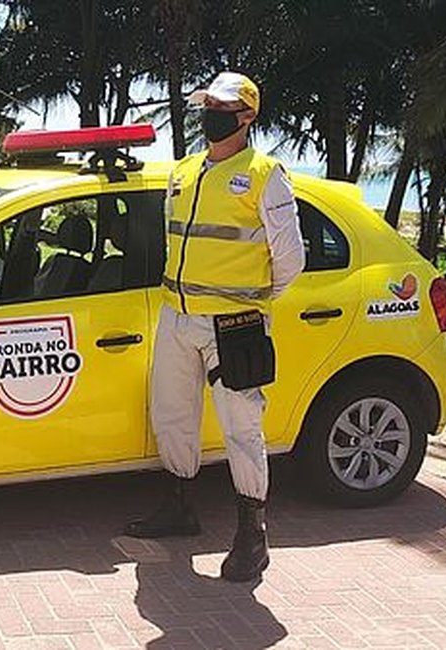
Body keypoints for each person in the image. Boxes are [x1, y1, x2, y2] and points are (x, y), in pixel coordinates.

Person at [124, 72, 305, 583]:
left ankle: (253, 535)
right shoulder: (183, 172)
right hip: (177, 316)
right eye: (208, 105)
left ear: (247, 116)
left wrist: (253, 303)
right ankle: (179, 507)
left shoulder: (265, 173)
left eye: (223, 107)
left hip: (234, 322)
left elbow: (289, 258)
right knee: (172, 415)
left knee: (241, 429)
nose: (211, 114)